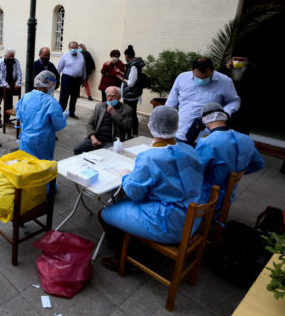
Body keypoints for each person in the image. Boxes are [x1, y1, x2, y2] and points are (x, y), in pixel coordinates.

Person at [98, 106, 204, 269]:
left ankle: (126, 258)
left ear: (150, 125)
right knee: (127, 206)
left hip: (167, 223)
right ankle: (132, 243)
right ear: (176, 126)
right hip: (191, 218)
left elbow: (134, 193)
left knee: (104, 213)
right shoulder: (189, 150)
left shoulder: (150, 157)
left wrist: (126, 176)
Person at [195, 102, 264, 207]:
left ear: (204, 120)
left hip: (205, 201)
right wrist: (239, 173)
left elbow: (194, 173)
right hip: (228, 198)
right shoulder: (246, 139)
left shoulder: (208, 142)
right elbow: (258, 163)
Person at [166, 57, 240, 145]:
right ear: (192, 70)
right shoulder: (182, 78)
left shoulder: (225, 81)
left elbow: (234, 101)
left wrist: (225, 113)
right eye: (197, 77)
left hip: (207, 136)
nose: (201, 81)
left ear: (213, 70)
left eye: (206, 77)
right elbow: (171, 103)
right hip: (180, 132)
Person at [15, 70, 67, 160]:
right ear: (50, 85)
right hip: (43, 143)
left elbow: (19, 116)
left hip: (26, 140)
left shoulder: (26, 97)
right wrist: (63, 117)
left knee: (26, 163)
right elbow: (58, 125)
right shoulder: (51, 102)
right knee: (41, 166)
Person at [73, 86, 133, 154]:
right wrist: (93, 138)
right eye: (108, 96)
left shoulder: (127, 109)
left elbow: (127, 126)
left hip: (111, 141)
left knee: (103, 155)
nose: (110, 98)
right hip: (96, 137)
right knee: (77, 149)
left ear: (119, 97)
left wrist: (114, 113)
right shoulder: (100, 106)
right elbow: (90, 123)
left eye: (113, 96)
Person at [219, 55, 258, 134]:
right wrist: (227, 68)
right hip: (227, 106)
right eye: (235, 59)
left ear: (246, 60)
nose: (238, 62)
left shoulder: (253, 70)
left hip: (244, 108)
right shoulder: (226, 69)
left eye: (241, 60)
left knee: (240, 133)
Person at [117, 45, 145, 136]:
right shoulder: (133, 65)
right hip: (130, 94)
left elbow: (131, 83)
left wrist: (121, 79)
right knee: (131, 114)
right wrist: (121, 73)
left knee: (131, 115)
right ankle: (130, 133)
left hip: (131, 95)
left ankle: (132, 133)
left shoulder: (133, 66)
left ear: (126, 56)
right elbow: (130, 77)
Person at [57, 40, 88, 119]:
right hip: (67, 79)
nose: (73, 49)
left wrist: (84, 79)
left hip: (77, 80)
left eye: (75, 47)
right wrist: (56, 79)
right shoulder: (65, 56)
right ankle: (60, 113)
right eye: (72, 47)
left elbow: (83, 68)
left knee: (74, 97)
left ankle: (72, 112)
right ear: (69, 48)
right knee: (64, 97)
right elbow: (59, 68)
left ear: (77, 48)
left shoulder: (81, 55)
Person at [0, 47, 23, 128]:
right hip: (0, 85)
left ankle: (7, 120)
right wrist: (6, 85)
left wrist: (18, 83)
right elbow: (0, 76)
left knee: (9, 104)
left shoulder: (16, 61)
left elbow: (19, 73)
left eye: (13, 56)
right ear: (5, 56)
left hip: (11, 84)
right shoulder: (0, 62)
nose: (12, 58)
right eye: (10, 56)